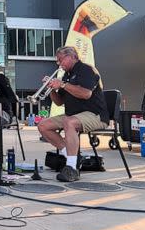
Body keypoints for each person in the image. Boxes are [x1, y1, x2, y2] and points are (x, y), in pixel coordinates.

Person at [37, 46, 109, 182]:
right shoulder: (67, 75)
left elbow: (86, 94)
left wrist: (63, 85)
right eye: (57, 61)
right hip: (73, 114)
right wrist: (51, 88)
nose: (58, 64)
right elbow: (59, 102)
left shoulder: (86, 69)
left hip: (94, 114)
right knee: (43, 125)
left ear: (72, 56)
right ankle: (72, 157)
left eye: (60, 60)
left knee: (69, 122)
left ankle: (71, 168)